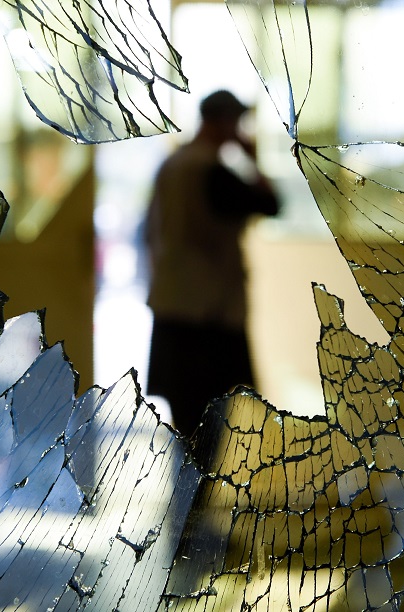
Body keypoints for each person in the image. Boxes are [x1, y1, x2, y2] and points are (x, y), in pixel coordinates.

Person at [145, 90, 279, 438]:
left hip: (174, 303)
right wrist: (250, 161)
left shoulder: (172, 165)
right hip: (209, 314)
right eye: (237, 123)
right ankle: (194, 493)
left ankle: (187, 490)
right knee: (206, 427)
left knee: (186, 421)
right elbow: (271, 203)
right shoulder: (212, 171)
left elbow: (152, 231)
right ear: (224, 123)